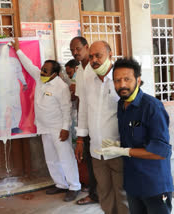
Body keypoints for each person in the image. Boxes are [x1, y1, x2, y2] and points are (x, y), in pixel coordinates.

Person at [97, 58, 173, 214]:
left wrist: (124, 151)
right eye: (117, 80)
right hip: (133, 182)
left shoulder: (152, 107)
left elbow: (161, 152)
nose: (122, 85)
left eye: (127, 79)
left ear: (138, 80)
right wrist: (119, 146)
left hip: (154, 185)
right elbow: (133, 139)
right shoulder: (122, 104)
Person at [11, 38, 81, 202]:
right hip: (43, 127)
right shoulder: (40, 78)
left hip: (58, 129)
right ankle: (60, 184)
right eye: (42, 69)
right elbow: (29, 65)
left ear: (55, 74)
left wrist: (65, 128)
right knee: (51, 158)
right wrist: (18, 50)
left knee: (66, 158)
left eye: (45, 71)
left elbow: (66, 109)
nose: (41, 72)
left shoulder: (61, 87)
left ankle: (74, 186)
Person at [75, 41, 128, 214]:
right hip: (97, 150)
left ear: (110, 54)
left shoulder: (121, 79)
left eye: (99, 55)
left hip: (118, 149)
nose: (94, 60)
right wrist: (81, 139)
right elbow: (83, 109)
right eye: (91, 56)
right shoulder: (88, 79)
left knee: (123, 195)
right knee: (104, 194)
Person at [70, 36, 98, 205]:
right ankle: (95, 195)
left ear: (86, 47)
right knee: (90, 160)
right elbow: (81, 100)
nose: (75, 53)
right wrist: (80, 133)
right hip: (87, 122)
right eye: (72, 50)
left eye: (78, 49)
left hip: (103, 122)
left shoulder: (97, 68)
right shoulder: (80, 70)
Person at [0, 43, 27, 136]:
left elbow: (19, 72)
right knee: (0, 107)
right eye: (1, 49)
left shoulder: (14, 61)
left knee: (15, 106)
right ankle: (1, 126)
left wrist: (24, 82)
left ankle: (14, 126)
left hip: (13, 87)